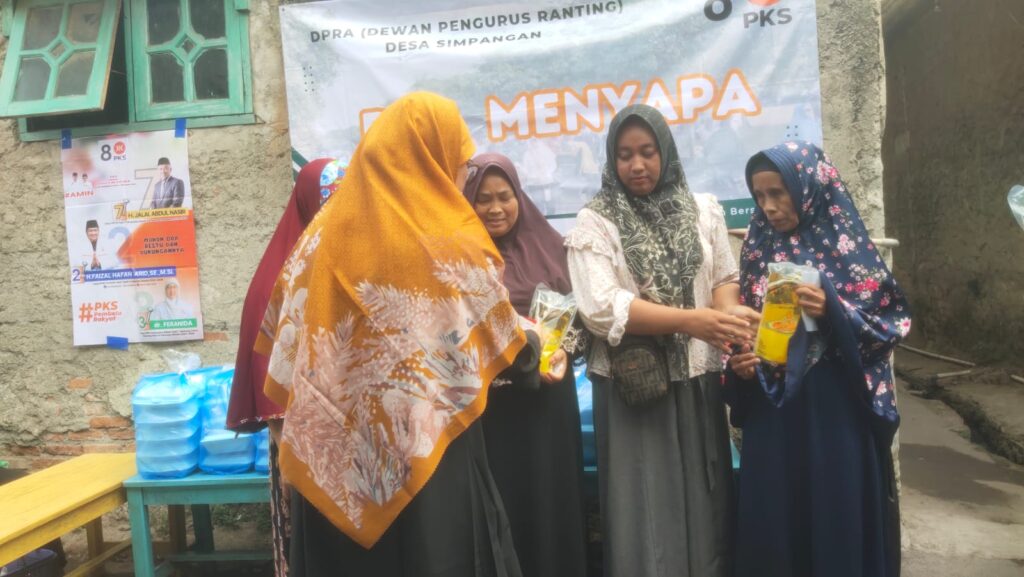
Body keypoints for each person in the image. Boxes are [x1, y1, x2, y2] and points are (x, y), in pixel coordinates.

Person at [256, 92, 528, 577]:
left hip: (335, 460)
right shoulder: (447, 241)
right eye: (461, 162)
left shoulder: (318, 236)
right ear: (432, 157)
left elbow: (287, 335)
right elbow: (500, 335)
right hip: (433, 467)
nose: (463, 175)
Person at [565, 104, 757, 577]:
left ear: (665, 152)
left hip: (696, 379)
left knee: (704, 501)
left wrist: (728, 314)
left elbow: (723, 278)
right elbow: (600, 306)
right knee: (645, 510)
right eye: (625, 155)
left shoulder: (703, 210)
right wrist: (691, 321)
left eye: (647, 152)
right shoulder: (596, 221)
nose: (637, 165)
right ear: (612, 160)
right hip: (634, 387)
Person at [726, 141, 910, 577]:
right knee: (776, 526)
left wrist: (834, 310)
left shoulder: (850, 250)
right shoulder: (757, 247)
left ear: (808, 188)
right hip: (774, 419)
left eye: (778, 193)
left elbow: (891, 325)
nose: (768, 207)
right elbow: (748, 325)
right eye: (759, 196)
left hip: (836, 417)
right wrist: (741, 359)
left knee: (835, 519)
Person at [463, 153, 587, 577]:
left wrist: (564, 349)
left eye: (505, 196)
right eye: (483, 199)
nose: (496, 208)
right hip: (491, 411)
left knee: (552, 505)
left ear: (520, 196)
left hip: (548, 406)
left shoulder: (550, 247)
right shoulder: (459, 258)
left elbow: (580, 321)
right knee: (502, 505)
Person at [226, 157, 343, 577]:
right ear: (309, 204)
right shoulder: (277, 277)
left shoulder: (348, 260)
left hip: (349, 436)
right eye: (329, 203)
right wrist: (285, 447)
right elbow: (268, 369)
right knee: (308, 546)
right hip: (299, 437)